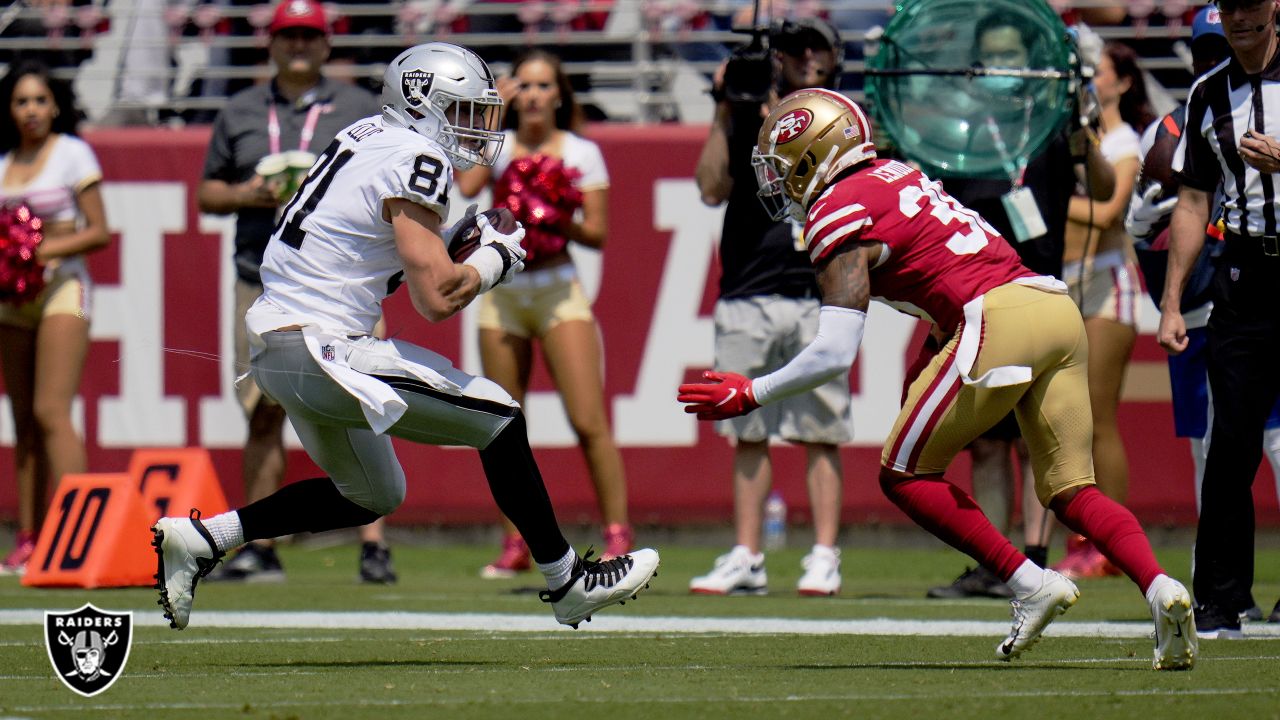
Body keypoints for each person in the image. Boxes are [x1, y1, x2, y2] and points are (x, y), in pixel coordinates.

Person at [679, 88, 1197, 670]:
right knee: (1071, 491)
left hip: (993, 316)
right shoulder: (897, 174)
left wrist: (752, 392)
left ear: (812, 154)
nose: (780, 183)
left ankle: (1030, 582)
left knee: (902, 473)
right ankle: (1161, 588)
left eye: (783, 167)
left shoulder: (836, 209)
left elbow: (833, 350)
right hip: (1051, 306)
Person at [151, 41, 660, 632]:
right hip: (322, 346)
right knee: (498, 415)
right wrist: (495, 259)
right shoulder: (417, 154)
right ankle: (566, 578)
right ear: (424, 102)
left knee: (372, 493)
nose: (476, 127)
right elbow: (437, 297)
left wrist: (458, 242)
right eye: (464, 109)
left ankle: (204, 538)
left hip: (278, 345)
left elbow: (366, 248)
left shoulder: (365, 135)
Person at [197, 0, 394, 584]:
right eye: (289, 35)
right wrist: (249, 193)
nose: (300, 45)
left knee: (365, 402)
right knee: (262, 411)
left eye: (310, 34)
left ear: (327, 43)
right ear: (271, 43)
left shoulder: (361, 108)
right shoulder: (240, 111)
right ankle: (263, 546)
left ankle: (374, 544)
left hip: (341, 284)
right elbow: (208, 193)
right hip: (261, 277)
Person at [925, 11, 1117, 599]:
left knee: (1038, 438)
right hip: (974, 302)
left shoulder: (1055, 122)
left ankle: (1034, 557)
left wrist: (1086, 135)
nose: (1003, 69)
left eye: (1013, 56)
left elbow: (1106, 189)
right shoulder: (958, 135)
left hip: (1038, 294)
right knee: (984, 439)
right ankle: (995, 562)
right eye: (992, 58)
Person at [1125, 4, 1280, 625]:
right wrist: (1170, 301)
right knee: (1230, 444)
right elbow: (1192, 200)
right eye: (1230, 7)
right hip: (1245, 274)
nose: (1240, 19)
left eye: (1251, 5)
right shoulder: (1208, 93)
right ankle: (1221, 597)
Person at [687, 17, 852, 597]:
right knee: (748, 432)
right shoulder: (748, 108)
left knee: (820, 429)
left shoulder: (842, 120)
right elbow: (710, 187)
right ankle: (747, 553)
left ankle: (825, 553)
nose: (808, 57)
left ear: (836, 55)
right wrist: (725, 108)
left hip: (820, 285)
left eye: (818, 47)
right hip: (750, 285)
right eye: (795, 48)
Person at [455, 49, 633, 577]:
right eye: (524, 87)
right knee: (500, 424)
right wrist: (490, 121)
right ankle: (516, 541)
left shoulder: (582, 151)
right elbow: (463, 189)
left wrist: (554, 209)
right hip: (504, 292)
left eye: (542, 86)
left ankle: (618, 531)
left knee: (587, 420)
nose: (532, 96)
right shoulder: (501, 145)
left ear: (559, 95)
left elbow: (597, 233)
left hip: (557, 290)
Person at [0, 61, 109, 574]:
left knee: (51, 411)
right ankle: (30, 537)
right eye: (21, 101)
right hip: (11, 300)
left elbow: (99, 231)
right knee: (22, 422)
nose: (31, 111)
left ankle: (77, 536)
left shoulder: (72, 153)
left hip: (65, 289)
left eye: (40, 100)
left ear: (56, 105)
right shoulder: (2, 161)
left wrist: (38, 251)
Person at [1052, 40, 1154, 579]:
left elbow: (1111, 210)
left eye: (1100, 73)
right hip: (1067, 279)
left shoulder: (1123, 140)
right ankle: (1087, 533)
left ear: (1123, 82)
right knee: (1071, 421)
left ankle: (1112, 542)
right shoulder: (1080, 136)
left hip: (1108, 281)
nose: (1090, 81)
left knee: (1098, 414)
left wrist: (1048, 200)